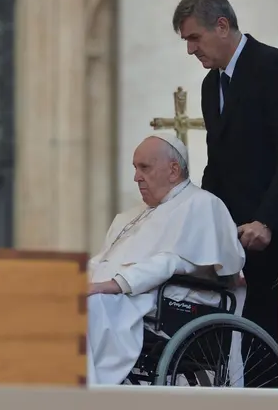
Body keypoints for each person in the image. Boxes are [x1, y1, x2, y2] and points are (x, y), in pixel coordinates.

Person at [171, 0, 278, 364]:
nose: (190, 49)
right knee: (250, 348)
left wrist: (266, 220)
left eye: (194, 38)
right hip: (243, 242)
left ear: (222, 26)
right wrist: (202, 221)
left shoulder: (273, 66)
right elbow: (218, 164)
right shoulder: (211, 85)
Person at [86, 133, 246, 385]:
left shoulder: (202, 205)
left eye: (144, 168)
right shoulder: (129, 215)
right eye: (135, 168)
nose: (136, 177)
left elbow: (175, 262)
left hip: (166, 304)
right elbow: (101, 261)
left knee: (89, 307)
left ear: (173, 170)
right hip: (127, 298)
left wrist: (114, 284)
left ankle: (88, 393)